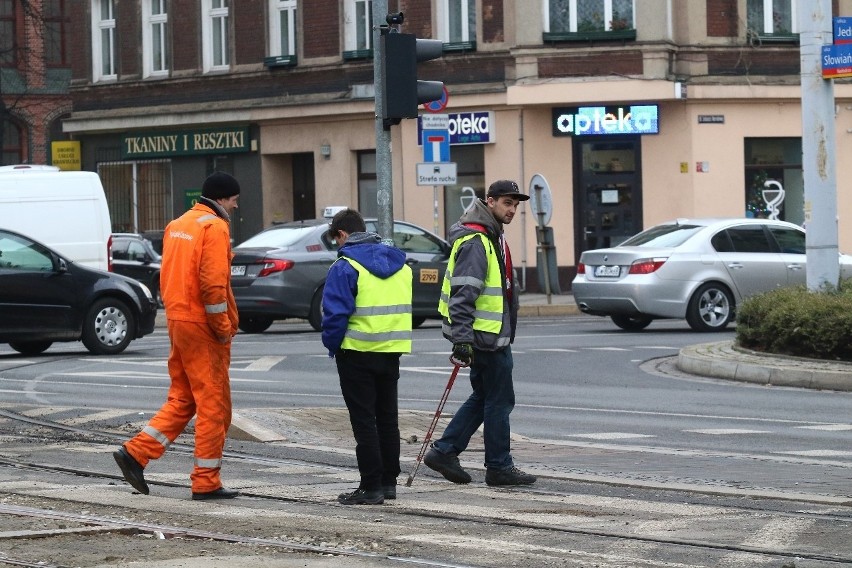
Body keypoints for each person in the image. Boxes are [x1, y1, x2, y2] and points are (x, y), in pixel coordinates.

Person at [113, 171, 241, 501]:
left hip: (177, 321)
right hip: (203, 327)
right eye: (235, 201)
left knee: (184, 398)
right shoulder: (215, 227)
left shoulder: (179, 225)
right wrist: (223, 328)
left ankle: (135, 453)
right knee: (214, 405)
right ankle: (206, 481)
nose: (236, 207)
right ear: (223, 199)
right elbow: (213, 286)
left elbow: (174, 275)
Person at [424, 180, 537, 487]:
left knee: (485, 397)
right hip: (484, 339)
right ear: (490, 202)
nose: (512, 209)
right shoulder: (477, 241)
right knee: (499, 401)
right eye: (506, 203)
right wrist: (462, 339)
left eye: (515, 205)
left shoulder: (491, 236)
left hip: (489, 336)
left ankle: (445, 451)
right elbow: (463, 295)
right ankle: (499, 466)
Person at [321, 208, 413, 505]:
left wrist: (332, 345)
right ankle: (388, 483)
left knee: (364, 421)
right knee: (388, 419)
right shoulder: (401, 264)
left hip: (357, 352)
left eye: (336, 239)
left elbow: (335, 315)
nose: (337, 245)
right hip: (391, 351)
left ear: (343, 234)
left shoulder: (345, 266)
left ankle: (370, 486)